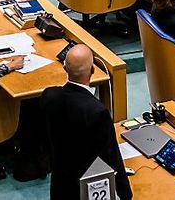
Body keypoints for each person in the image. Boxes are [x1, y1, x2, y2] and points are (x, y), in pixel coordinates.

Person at [41, 44, 132, 200]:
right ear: (93, 70)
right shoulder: (97, 111)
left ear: (65, 69)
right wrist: (125, 192)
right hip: (88, 186)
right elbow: (111, 156)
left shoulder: (49, 95)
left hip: (60, 182)